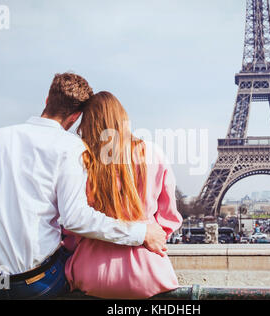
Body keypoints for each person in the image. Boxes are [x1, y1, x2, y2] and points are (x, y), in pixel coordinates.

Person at [0, 73, 167, 299]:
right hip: (34, 284)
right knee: (75, 260)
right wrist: (140, 232)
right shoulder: (71, 147)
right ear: (75, 117)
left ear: (47, 100)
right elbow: (76, 219)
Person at [63, 91, 183, 299]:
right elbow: (169, 218)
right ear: (124, 118)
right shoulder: (153, 153)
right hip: (147, 272)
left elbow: (72, 225)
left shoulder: (82, 160)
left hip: (91, 273)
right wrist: (150, 237)